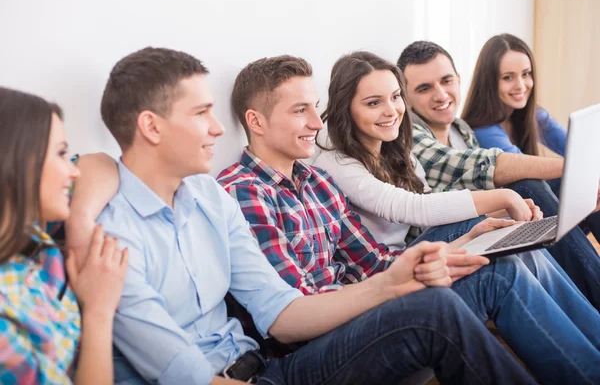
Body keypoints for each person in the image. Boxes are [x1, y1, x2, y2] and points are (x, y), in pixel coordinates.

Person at [69, 47, 535, 385]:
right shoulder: (110, 240)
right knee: (437, 309)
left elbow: (281, 310)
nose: (216, 128)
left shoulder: (210, 199)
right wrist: (390, 285)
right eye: (202, 113)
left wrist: (400, 277)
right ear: (151, 126)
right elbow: (183, 374)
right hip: (269, 365)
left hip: (270, 368)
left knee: (492, 267)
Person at [217, 54, 600, 384]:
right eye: (300, 111)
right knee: (439, 305)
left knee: (503, 266)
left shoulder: (317, 181)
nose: (317, 125)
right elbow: (294, 314)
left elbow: (377, 261)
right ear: (256, 121)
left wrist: (468, 241)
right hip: (313, 345)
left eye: (314, 109)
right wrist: (393, 287)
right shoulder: (244, 190)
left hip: (361, 311)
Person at [398, 40, 600, 309]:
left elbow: (483, 203)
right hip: (439, 243)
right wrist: (575, 167)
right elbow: (483, 166)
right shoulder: (409, 136)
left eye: (446, 81)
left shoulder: (462, 130)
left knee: (566, 187)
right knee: (528, 184)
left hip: (478, 226)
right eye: (424, 88)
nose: (440, 94)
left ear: (459, 80)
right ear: (406, 97)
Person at [0, 87, 128, 384]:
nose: (73, 172)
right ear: (16, 163)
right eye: (60, 153)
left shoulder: (32, 228)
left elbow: (101, 163)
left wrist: (80, 224)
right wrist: (99, 310)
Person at [461, 33, 600, 241]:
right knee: (565, 180)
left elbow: (575, 147)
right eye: (508, 77)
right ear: (489, 82)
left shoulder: (532, 115)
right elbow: (525, 169)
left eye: (526, 74)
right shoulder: (483, 129)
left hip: (542, 210)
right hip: (513, 219)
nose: (521, 85)